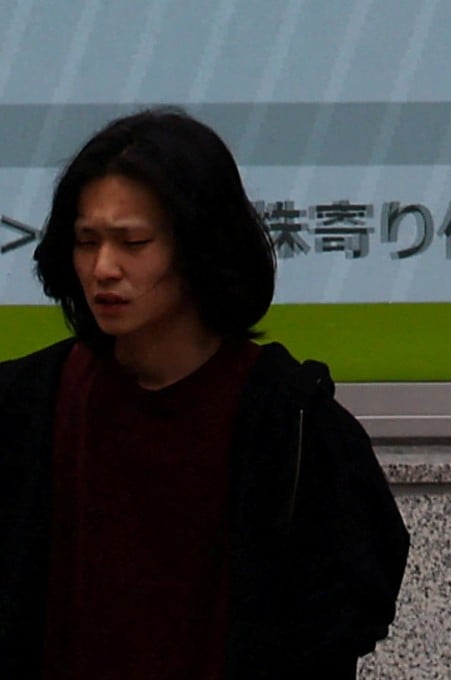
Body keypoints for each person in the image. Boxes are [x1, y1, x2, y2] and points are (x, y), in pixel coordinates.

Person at [0, 108, 409, 679]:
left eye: (132, 242)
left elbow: (347, 603)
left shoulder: (293, 424)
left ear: (197, 247)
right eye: (86, 242)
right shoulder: (28, 405)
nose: (103, 268)